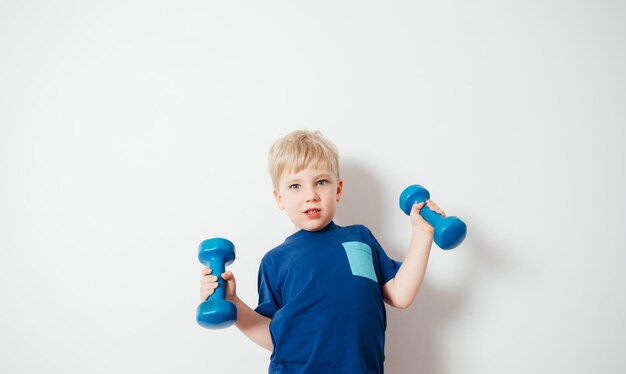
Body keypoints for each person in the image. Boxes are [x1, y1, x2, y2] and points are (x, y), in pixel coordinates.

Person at [200, 130, 444, 373]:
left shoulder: (360, 238)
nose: (311, 195)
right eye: (295, 186)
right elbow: (275, 337)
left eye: (321, 182)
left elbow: (400, 295)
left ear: (338, 189)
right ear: (279, 198)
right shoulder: (275, 260)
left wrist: (423, 234)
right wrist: (233, 303)